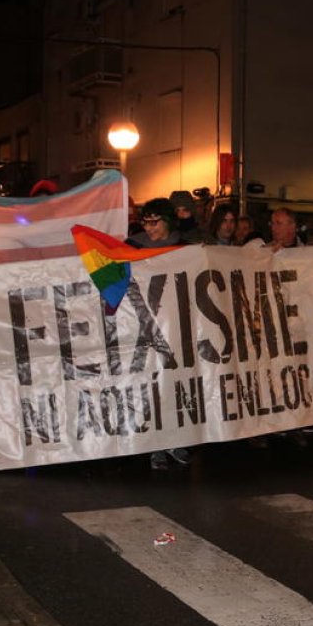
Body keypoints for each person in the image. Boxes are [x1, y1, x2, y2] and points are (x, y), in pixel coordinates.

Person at [126, 198, 190, 469]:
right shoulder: (132, 247)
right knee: (150, 385)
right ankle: (155, 446)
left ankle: (176, 441)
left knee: (176, 385)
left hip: (175, 327)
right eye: (145, 222)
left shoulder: (185, 248)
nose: (149, 228)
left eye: (155, 222)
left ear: (168, 221)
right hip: (144, 327)